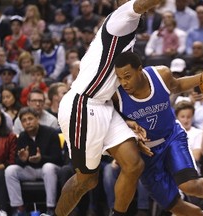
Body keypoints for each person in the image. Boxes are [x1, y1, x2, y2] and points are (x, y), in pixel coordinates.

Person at [55, 0, 164, 215]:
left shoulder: (126, 33)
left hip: (104, 106)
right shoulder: (119, 18)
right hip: (82, 106)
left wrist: (124, 118)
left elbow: (111, 87)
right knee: (87, 180)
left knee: (134, 165)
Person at [112, 51, 203, 216]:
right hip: (146, 153)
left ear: (140, 70)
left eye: (127, 76)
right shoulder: (116, 95)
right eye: (119, 78)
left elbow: (176, 86)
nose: (124, 82)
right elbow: (113, 121)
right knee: (175, 206)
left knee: (189, 185)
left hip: (171, 137)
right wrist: (129, 128)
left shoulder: (160, 75)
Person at [5, 107, 63, 216]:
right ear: (21, 123)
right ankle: (19, 208)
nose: (28, 122)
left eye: (30, 119)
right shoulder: (22, 136)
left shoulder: (51, 133)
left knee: (48, 167)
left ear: (37, 119)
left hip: (50, 170)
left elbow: (58, 159)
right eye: (24, 120)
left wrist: (41, 159)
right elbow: (17, 162)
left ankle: (51, 208)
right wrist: (23, 160)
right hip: (31, 170)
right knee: (10, 170)